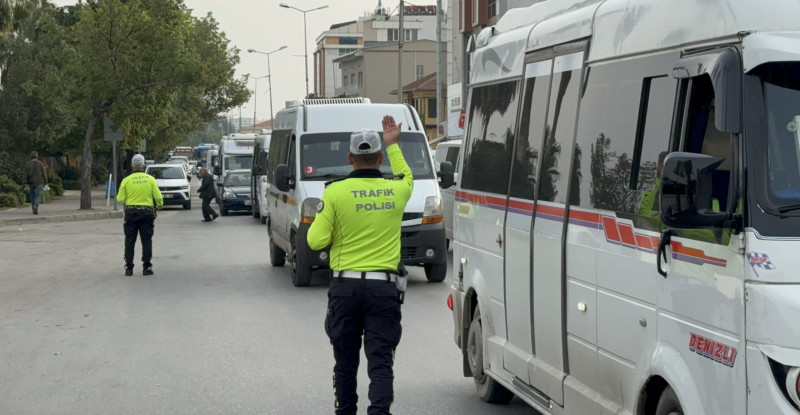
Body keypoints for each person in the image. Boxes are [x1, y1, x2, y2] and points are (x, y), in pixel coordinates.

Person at [307, 115, 414, 415]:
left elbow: (316, 242)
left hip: (345, 289)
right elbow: (407, 176)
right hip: (384, 289)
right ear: (379, 158)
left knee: (345, 362)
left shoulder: (334, 192)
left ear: (350, 158)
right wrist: (394, 145)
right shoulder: (398, 190)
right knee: (381, 363)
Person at [117, 154, 163, 276]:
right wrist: (159, 204)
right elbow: (158, 197)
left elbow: (120, 198)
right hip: (147, 213)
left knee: (130, 240)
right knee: (146, 240)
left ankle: (129, 267)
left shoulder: (126, 180)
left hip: (131, 213)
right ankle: (147, 267)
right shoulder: (150, 179)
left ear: (132, 166)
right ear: (143, 165)